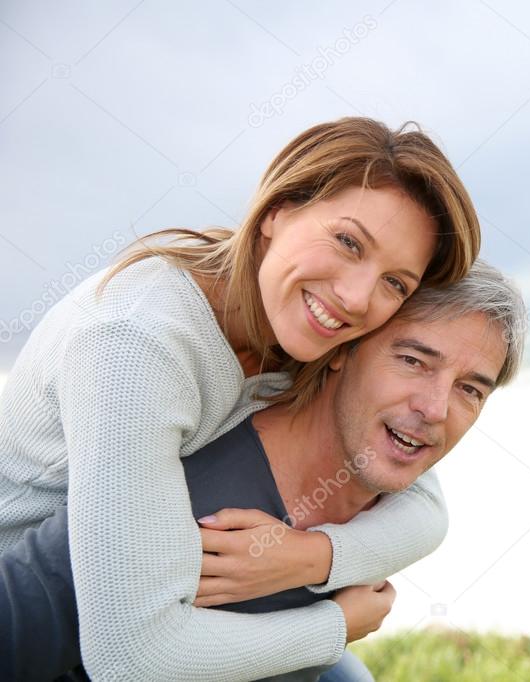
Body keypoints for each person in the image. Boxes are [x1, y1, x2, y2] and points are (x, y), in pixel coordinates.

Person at [0, 117, 481, 679]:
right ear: (277, 210)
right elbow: (129, 659)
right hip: (37, 612)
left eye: (395, 282)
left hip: (158, 591)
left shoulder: (308, 329)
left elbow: (422, 501)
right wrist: (334, 628)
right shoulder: (137, 342)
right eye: (348, 242)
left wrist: (311, 559)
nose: (356, 297)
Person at [0, 261, 526, 681]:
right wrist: (334, 626)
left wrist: (317, 559)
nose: (435, 408)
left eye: (470, 389)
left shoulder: (386, 500)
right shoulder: (175, 484)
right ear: (344, 349)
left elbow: (430, 512)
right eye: (413, 361)